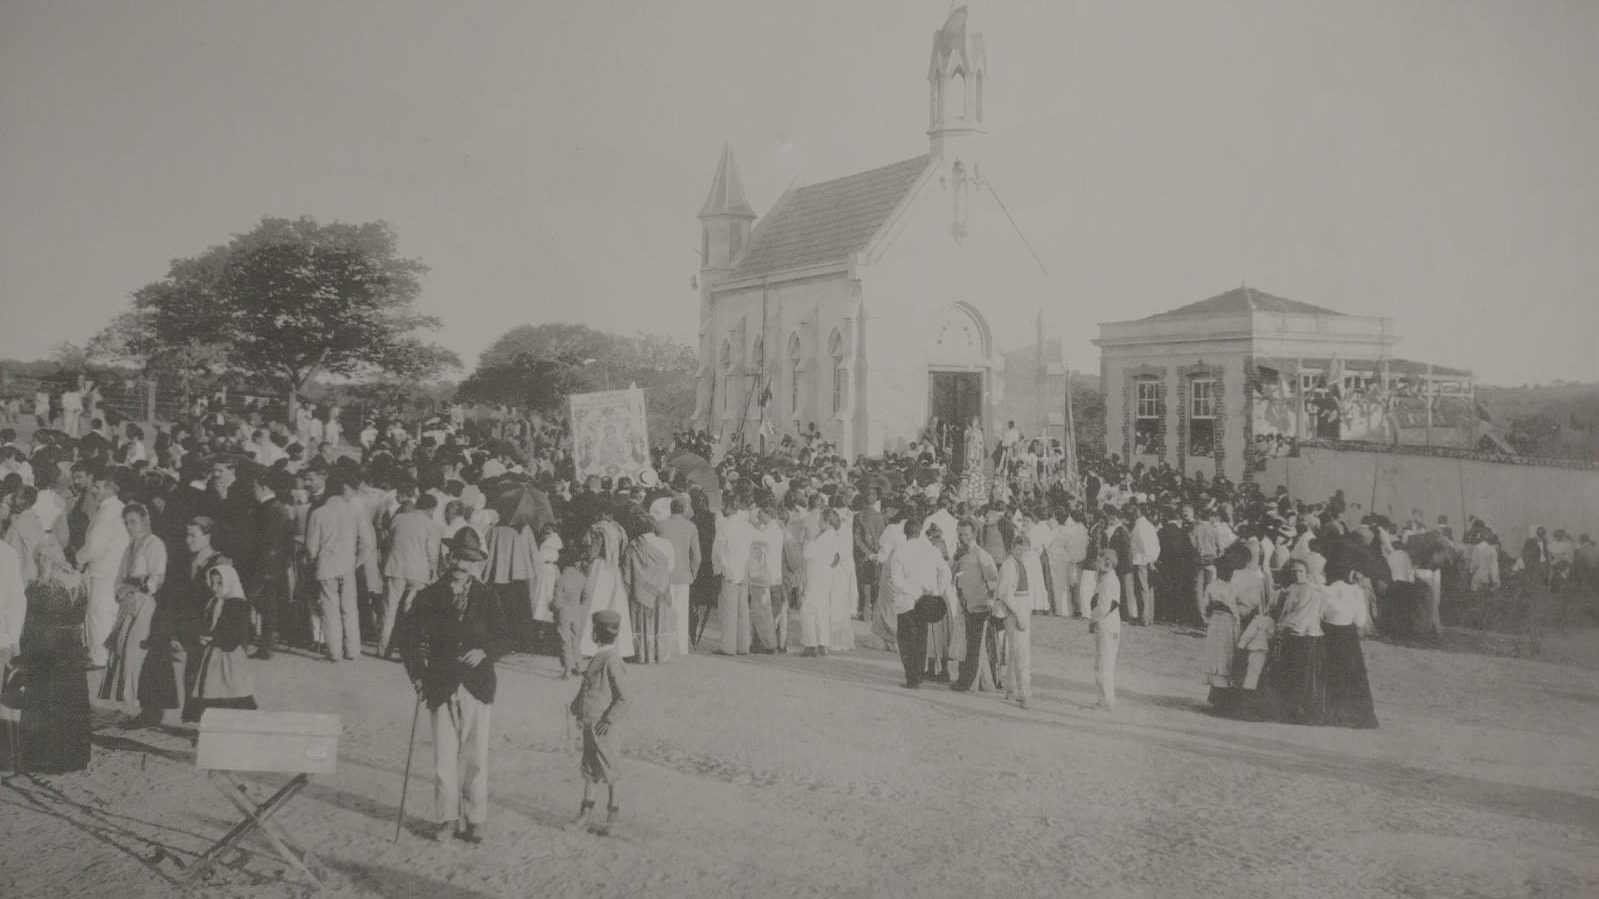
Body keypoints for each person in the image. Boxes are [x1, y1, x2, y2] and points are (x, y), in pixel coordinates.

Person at [401, 527, 509, 844]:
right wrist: (418, 675)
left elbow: (505, 637)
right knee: (444, 759)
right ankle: (447, 818)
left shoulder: (488, 597)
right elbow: (408, 640)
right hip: (440, 684)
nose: (461, 564)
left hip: (478, 685)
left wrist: (485, 650)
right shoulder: (429, 596)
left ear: (476, 564)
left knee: (476, 757)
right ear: (449, 556)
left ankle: (475, 818)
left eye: (468, 559)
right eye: (457, 556)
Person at [14, 541, 91, 772]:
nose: (39, 564)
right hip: (71, 648)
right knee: (70, 701)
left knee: (47, 701)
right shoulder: (77, 581)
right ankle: (72, 756)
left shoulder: (44, 586)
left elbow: (39, 614)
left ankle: (46, 756)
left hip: (47, 649)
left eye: (41, 560)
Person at [99, 503, 167, 714]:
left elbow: (157, 576)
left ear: (144, 519)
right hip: (128, 601)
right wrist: (123, 590)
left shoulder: (154, 543)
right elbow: (120, 576)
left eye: (134, 522)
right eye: (127, 522)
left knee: (134, 651)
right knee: (120, 648)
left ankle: (138, 703)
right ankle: (126, 702)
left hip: (145, 603)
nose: (130, 526)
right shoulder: (130, 546)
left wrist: (140, 585)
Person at [305, 471, 378, 662]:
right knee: (350, 609)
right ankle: (353, 651)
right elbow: (368, 544)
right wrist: (355, 562)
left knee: (330, 609)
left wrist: (314, 560)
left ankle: (335, 652)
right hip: (347, 566)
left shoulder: (318, 514)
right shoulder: (355, 511)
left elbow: (311, 548)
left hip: (326, 566)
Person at [568, 609, 629, 837]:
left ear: (596, 633)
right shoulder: (602, 656)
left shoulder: (611, 659)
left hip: (604, 727)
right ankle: (585, 815)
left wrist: (609, 719)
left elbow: (623, 697)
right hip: (591, 723)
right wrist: (577, 710)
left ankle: (613, 818)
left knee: (610, 769)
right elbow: (587, 688)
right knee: (590, 769)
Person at [188, 564, 259, 721]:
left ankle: (238, 724)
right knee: (210, 687)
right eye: (212, 582)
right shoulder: (213, 602)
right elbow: (207, 623)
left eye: (219, 583)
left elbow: (237, 632)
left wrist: (215, 638)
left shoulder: (237, 604)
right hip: (212, 653)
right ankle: (212, 723)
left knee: (232, 687)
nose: (215, 587)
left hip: (230, 655)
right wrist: (202, 635)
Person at [379, 483, 441, 659]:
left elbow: (389, 541)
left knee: (389, 610)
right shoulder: (431, 525)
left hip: (395, 567)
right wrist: (434, 573)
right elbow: (433, 554)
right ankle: (409, 651)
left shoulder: (398, 519)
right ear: (430, 509)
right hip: (418, 572)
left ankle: (383, 649)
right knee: (413, 611)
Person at [76, 469, 128, 669]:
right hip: (113, 569)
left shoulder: (108, 512)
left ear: (110, 489)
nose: (93, 491)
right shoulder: (116, 508)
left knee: (97, 614)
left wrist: (78, 559)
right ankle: (107, 655)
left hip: (103, 570)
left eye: (98, 487)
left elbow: (95, 546)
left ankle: (98, 657)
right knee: (108, 613)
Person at [1268, 558, 1327, 725]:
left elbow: (1301, 614)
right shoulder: (1292, 588)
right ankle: (1288, 709)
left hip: (1305, 636)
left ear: (1306, 573)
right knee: (1290, 672)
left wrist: (1281, 627)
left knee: (1303, 675)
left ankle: (1301, 712)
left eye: (1300, 571)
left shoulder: (1310, 590)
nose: (1297, 575)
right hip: (1292, 635)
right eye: (1294, 572)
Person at [889, 516, 941, 689]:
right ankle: (918, 675)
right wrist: (935, 590)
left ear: (905, 533)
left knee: (906, 640)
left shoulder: (899, 552)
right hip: (925, 600)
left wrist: (915, 592)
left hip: (907, 601)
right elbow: (945, 572)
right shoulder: (931, 550)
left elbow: (896, 581)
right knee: (921, 638)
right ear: (919, 532)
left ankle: (912, 677)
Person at [250, 471, 297, 659]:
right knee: (267, 605)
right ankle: (265, 645)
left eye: (254, 487)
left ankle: (265, 645)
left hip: (266, 563)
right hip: (274, 563)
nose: (252, 491)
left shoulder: (271, 509)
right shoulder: (278, 508)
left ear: (264, 488)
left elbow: (265, 539)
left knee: (264, 604)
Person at [949, 519, 1000, 692]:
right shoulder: (962, 554)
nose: (962, 538)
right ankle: (966, 680)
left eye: (966, 535)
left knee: (974, 648)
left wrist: (989, 604)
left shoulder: (982, 555)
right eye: (960, 534)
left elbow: (993, 580)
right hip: (965, 607)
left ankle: (968, 682)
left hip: (979, 608)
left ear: (974, 534)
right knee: (965, 645)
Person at [622, 512, 674, 664]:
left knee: (641, 622)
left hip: (640, 591)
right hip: (660, 590)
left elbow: (626, 572)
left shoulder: (634, 546)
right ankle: (659, 653)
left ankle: (641, 653)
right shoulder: (666, 544)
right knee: (659, 621)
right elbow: (671, 567)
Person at [993, 534, 1035, 709]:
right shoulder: (1010, 564)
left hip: (1021, 607)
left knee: (1013, 651)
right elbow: (1004, 593)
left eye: (1025, 550)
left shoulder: (1020, 564)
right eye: (1019, 548)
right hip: (1015, 609)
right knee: (1021, 654)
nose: (1022, 552)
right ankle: (1024, 693)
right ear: (1012, 547)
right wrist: (1018, 614)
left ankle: (1011, 689)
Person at [657, 498, 699, 657]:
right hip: (683, 574)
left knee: (665, 611)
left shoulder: (660, 525)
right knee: (681, 612)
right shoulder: (691, 527)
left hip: (664, 574)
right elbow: (697, 555)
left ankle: (663, 646)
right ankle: (681, 647)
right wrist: (693, 572)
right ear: (683, 509)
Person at [799, 508, 843, 656]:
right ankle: (823, 643)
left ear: (827, 522)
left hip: (816, 575)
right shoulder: (835, 536)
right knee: (822, 610)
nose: (818, 523)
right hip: (826, 575)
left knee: (808, 609)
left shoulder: (822, 537)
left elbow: (806, 554)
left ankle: (810, 644)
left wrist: (812, 539)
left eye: (820, 520)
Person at [1088, 548, 1122, 712]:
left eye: (1100, 560)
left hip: (1106, 625)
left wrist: (1092, 619)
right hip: (1108, 624)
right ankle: (1104, 698)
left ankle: (1107, 700)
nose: (1098, 563)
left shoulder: (1108, 581)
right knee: (1103, 663)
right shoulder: (1107, 578)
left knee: (1104, 664)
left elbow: (1103, 607)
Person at [550, 549, 590, 678]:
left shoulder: (560, 579)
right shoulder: (582, 578)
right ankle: (579, 666)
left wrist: (552, 608)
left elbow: (557, 601)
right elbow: (587, 596)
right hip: (577, 611)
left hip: (564, 612)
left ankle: (567, 670)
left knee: (564, 640)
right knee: (576, 639)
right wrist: (579, 606)